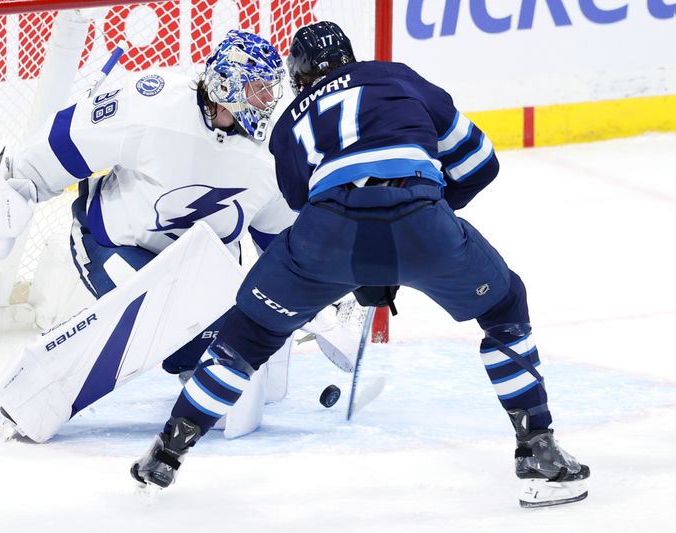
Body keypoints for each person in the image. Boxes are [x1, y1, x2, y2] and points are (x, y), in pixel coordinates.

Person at [130, 22, 590, 508]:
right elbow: (480, 163)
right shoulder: (397, 76)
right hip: (421, 217)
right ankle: (539, 452)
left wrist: (365, 260)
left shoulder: (287, 124)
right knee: (504, 307)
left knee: (249, 334)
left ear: (297, 74)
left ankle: (166, 452)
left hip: (325, 237)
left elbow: (305, 206)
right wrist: (422, 219)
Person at [0, 30, 361, 442]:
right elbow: (65, 143)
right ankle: (33, 390)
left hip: (202, 270)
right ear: (222, 86)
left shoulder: (272, 152)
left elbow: (282, 242)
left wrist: (319, 298)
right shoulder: (153, 104)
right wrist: (15, 187)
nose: (265, 105)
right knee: (162, 311)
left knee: (237, 362)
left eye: (269, 93)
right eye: (254, 92)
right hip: (112, 245)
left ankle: (196, 355)